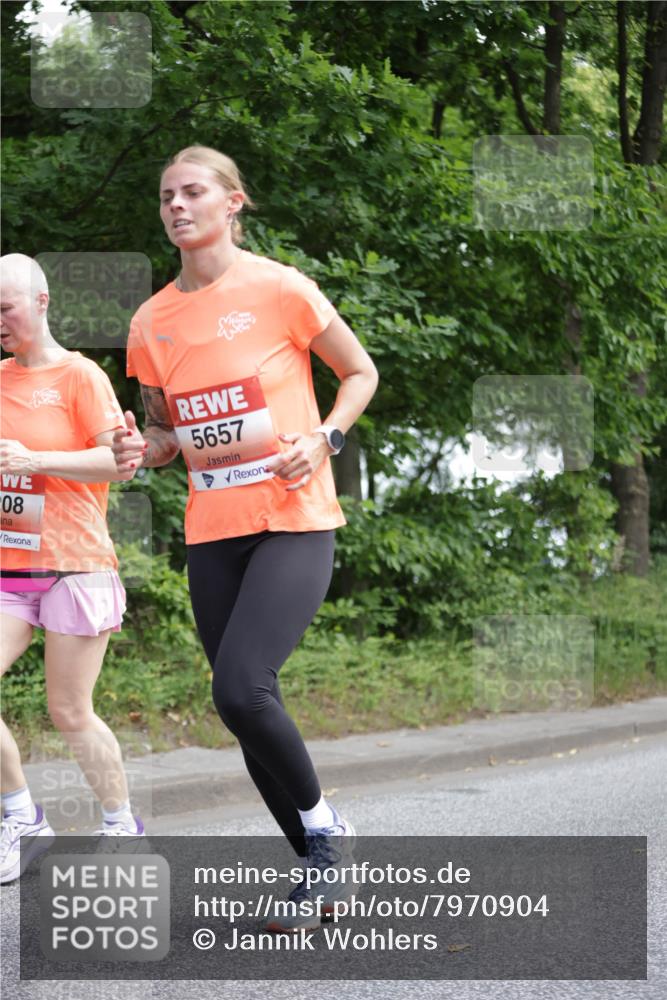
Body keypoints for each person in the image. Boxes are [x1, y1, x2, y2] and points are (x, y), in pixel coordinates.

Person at [112, 145, 378, 930]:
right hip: (213, 532)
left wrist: (325, 437)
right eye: (167, 195)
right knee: (245, 710)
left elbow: (359, 372)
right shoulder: (151, 320)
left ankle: (329, 836)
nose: (176, 205)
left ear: (232, 203)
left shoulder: (280, 288)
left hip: (293, 519)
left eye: (193, 192)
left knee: (239, 688)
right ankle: (320, 872)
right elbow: (167, 435)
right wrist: (138, 449)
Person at [0, 254, 144, 884]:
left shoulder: (80, 375)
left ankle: (122, 827)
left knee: (68, 709)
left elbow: (117, 463)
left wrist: (34, 460)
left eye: (5, 307)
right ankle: (22, 818)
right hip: (9, 563)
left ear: (41, 301)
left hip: (75, 564)